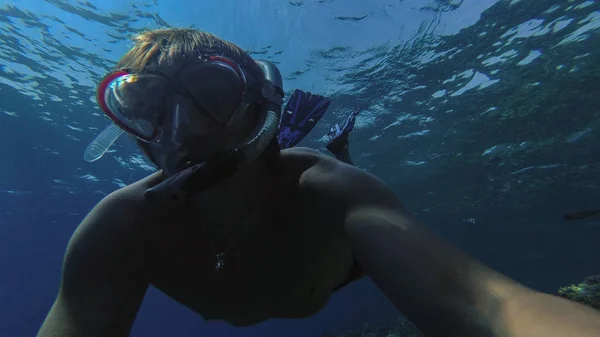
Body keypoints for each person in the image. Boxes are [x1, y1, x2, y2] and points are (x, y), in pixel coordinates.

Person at [39, 28, 600, 337]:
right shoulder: (118, 228)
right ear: (132, 130)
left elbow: (486, 304)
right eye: (145, 107)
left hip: (335, 265)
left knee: (333, 162)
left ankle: (334, 136)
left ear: (260, 107)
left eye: (212, 95)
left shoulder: (331, 190)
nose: (180, 131)